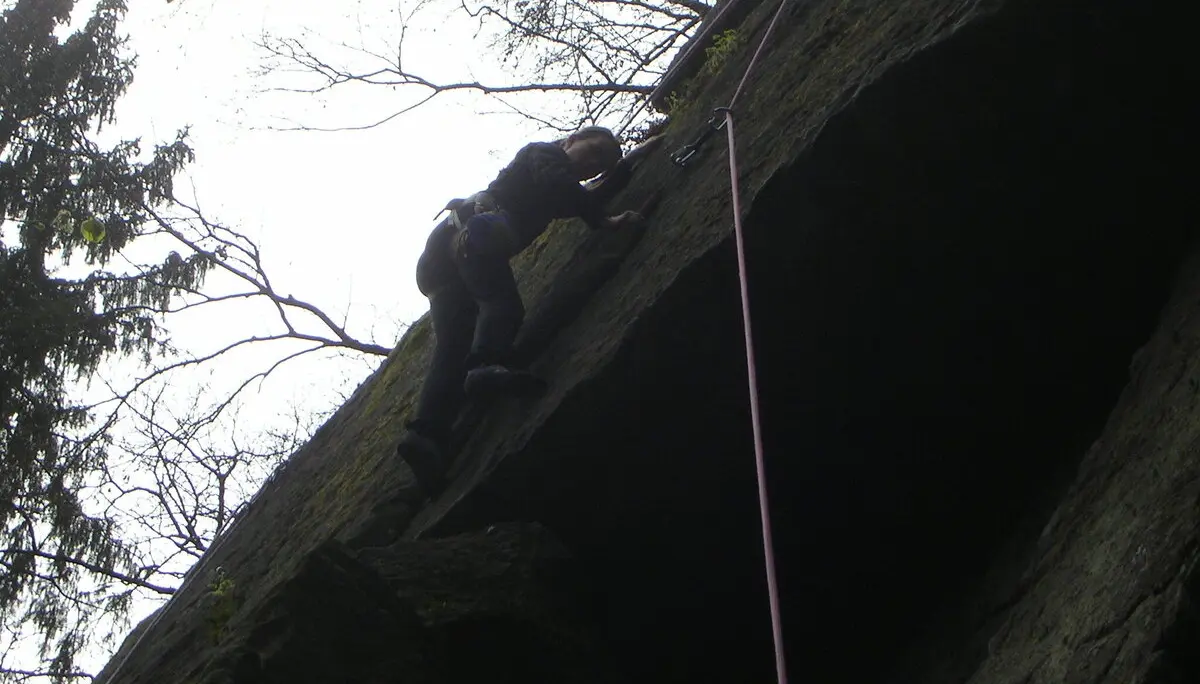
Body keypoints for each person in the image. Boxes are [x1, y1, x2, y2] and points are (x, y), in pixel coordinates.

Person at [396, 125, 665, 496]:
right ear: (570, 140)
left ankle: (426, 435)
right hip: (472, 236)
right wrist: (604, 220)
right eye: (595, 148)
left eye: (603, 160)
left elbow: (584, 197)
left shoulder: (560, 189)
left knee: (452, 345)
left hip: (445, 265)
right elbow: (565, 188)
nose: (595, 161)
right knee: (502, 306)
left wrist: (629, 163)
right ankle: (482, 367)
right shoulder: (543, 154)